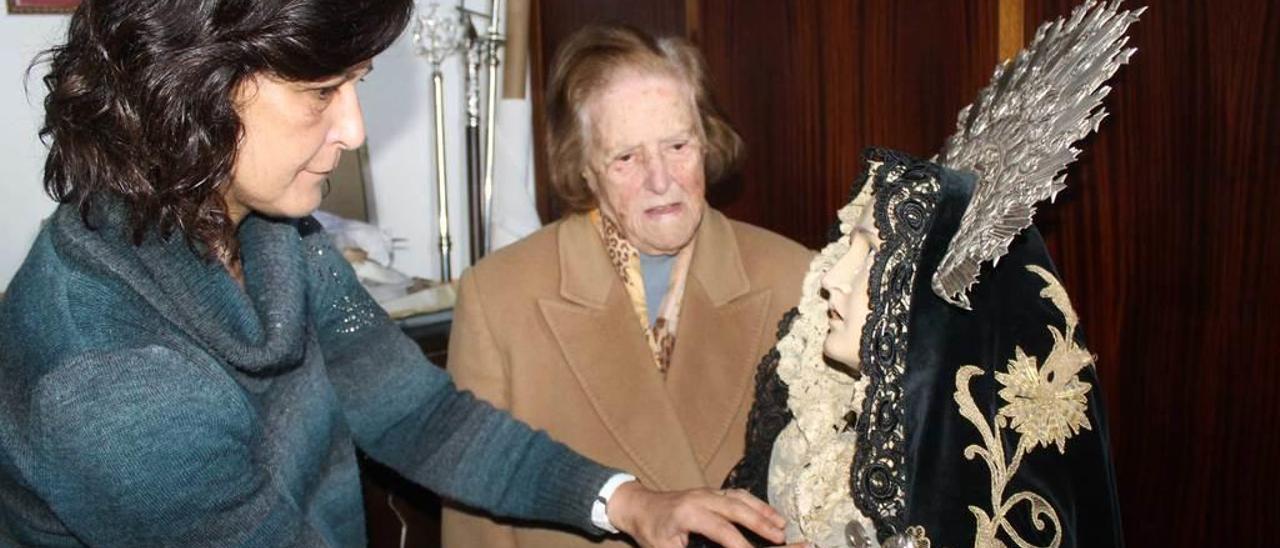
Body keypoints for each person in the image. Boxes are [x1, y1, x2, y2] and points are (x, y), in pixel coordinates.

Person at [0, 2, 794, 547]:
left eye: (357, 85)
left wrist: (629, 501)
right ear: (190, 96)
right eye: (320, 93)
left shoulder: (277, 236)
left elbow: (421, 419)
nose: (353, 128)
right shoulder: (112, 382)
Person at [441, 24, 813, 548]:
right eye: (626, 158)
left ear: (707, 139)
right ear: (583, 167)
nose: (661, 180)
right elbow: (475, 524)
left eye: (678, 145)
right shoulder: (499, 298)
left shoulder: (797, 279)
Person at [717, 149, 1125, 547]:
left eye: (873, 257)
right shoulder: (816, 428)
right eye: (849, 249)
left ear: (930, 302)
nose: (833, 278)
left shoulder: (968, 483)